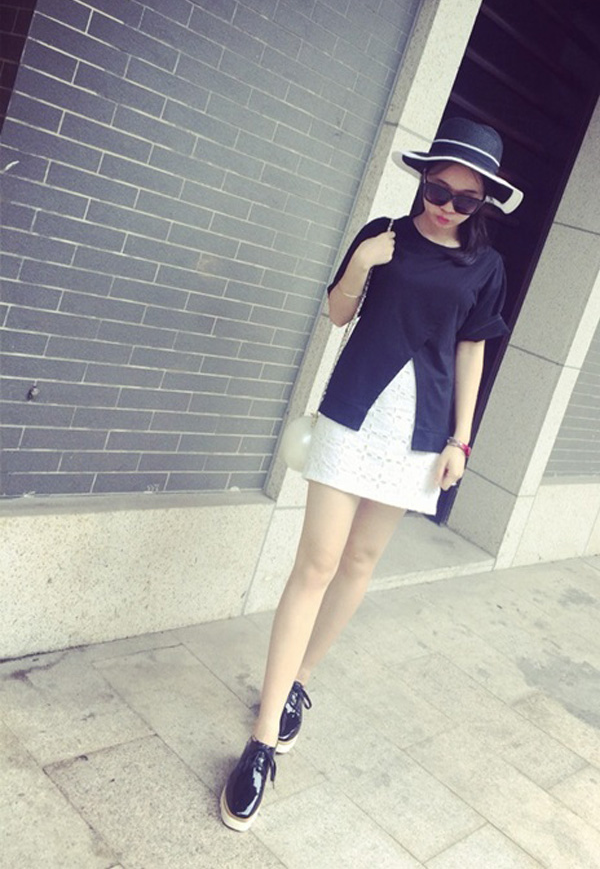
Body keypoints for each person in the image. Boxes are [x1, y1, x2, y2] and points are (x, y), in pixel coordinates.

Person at [220, 117, 523, 831]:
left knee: (359, 562)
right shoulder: (384, 234)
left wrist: (462, 440)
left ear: (483, 204)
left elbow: (473, 350)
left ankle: (299, 683)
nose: (446, 207)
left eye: (465, 200)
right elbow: (336, 314)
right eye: (438, 190)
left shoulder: (486, 268)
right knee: (316, 564)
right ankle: (261, 742)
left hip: (419, 436)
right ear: (424, 180)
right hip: (352, 416)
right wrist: (361, 264)